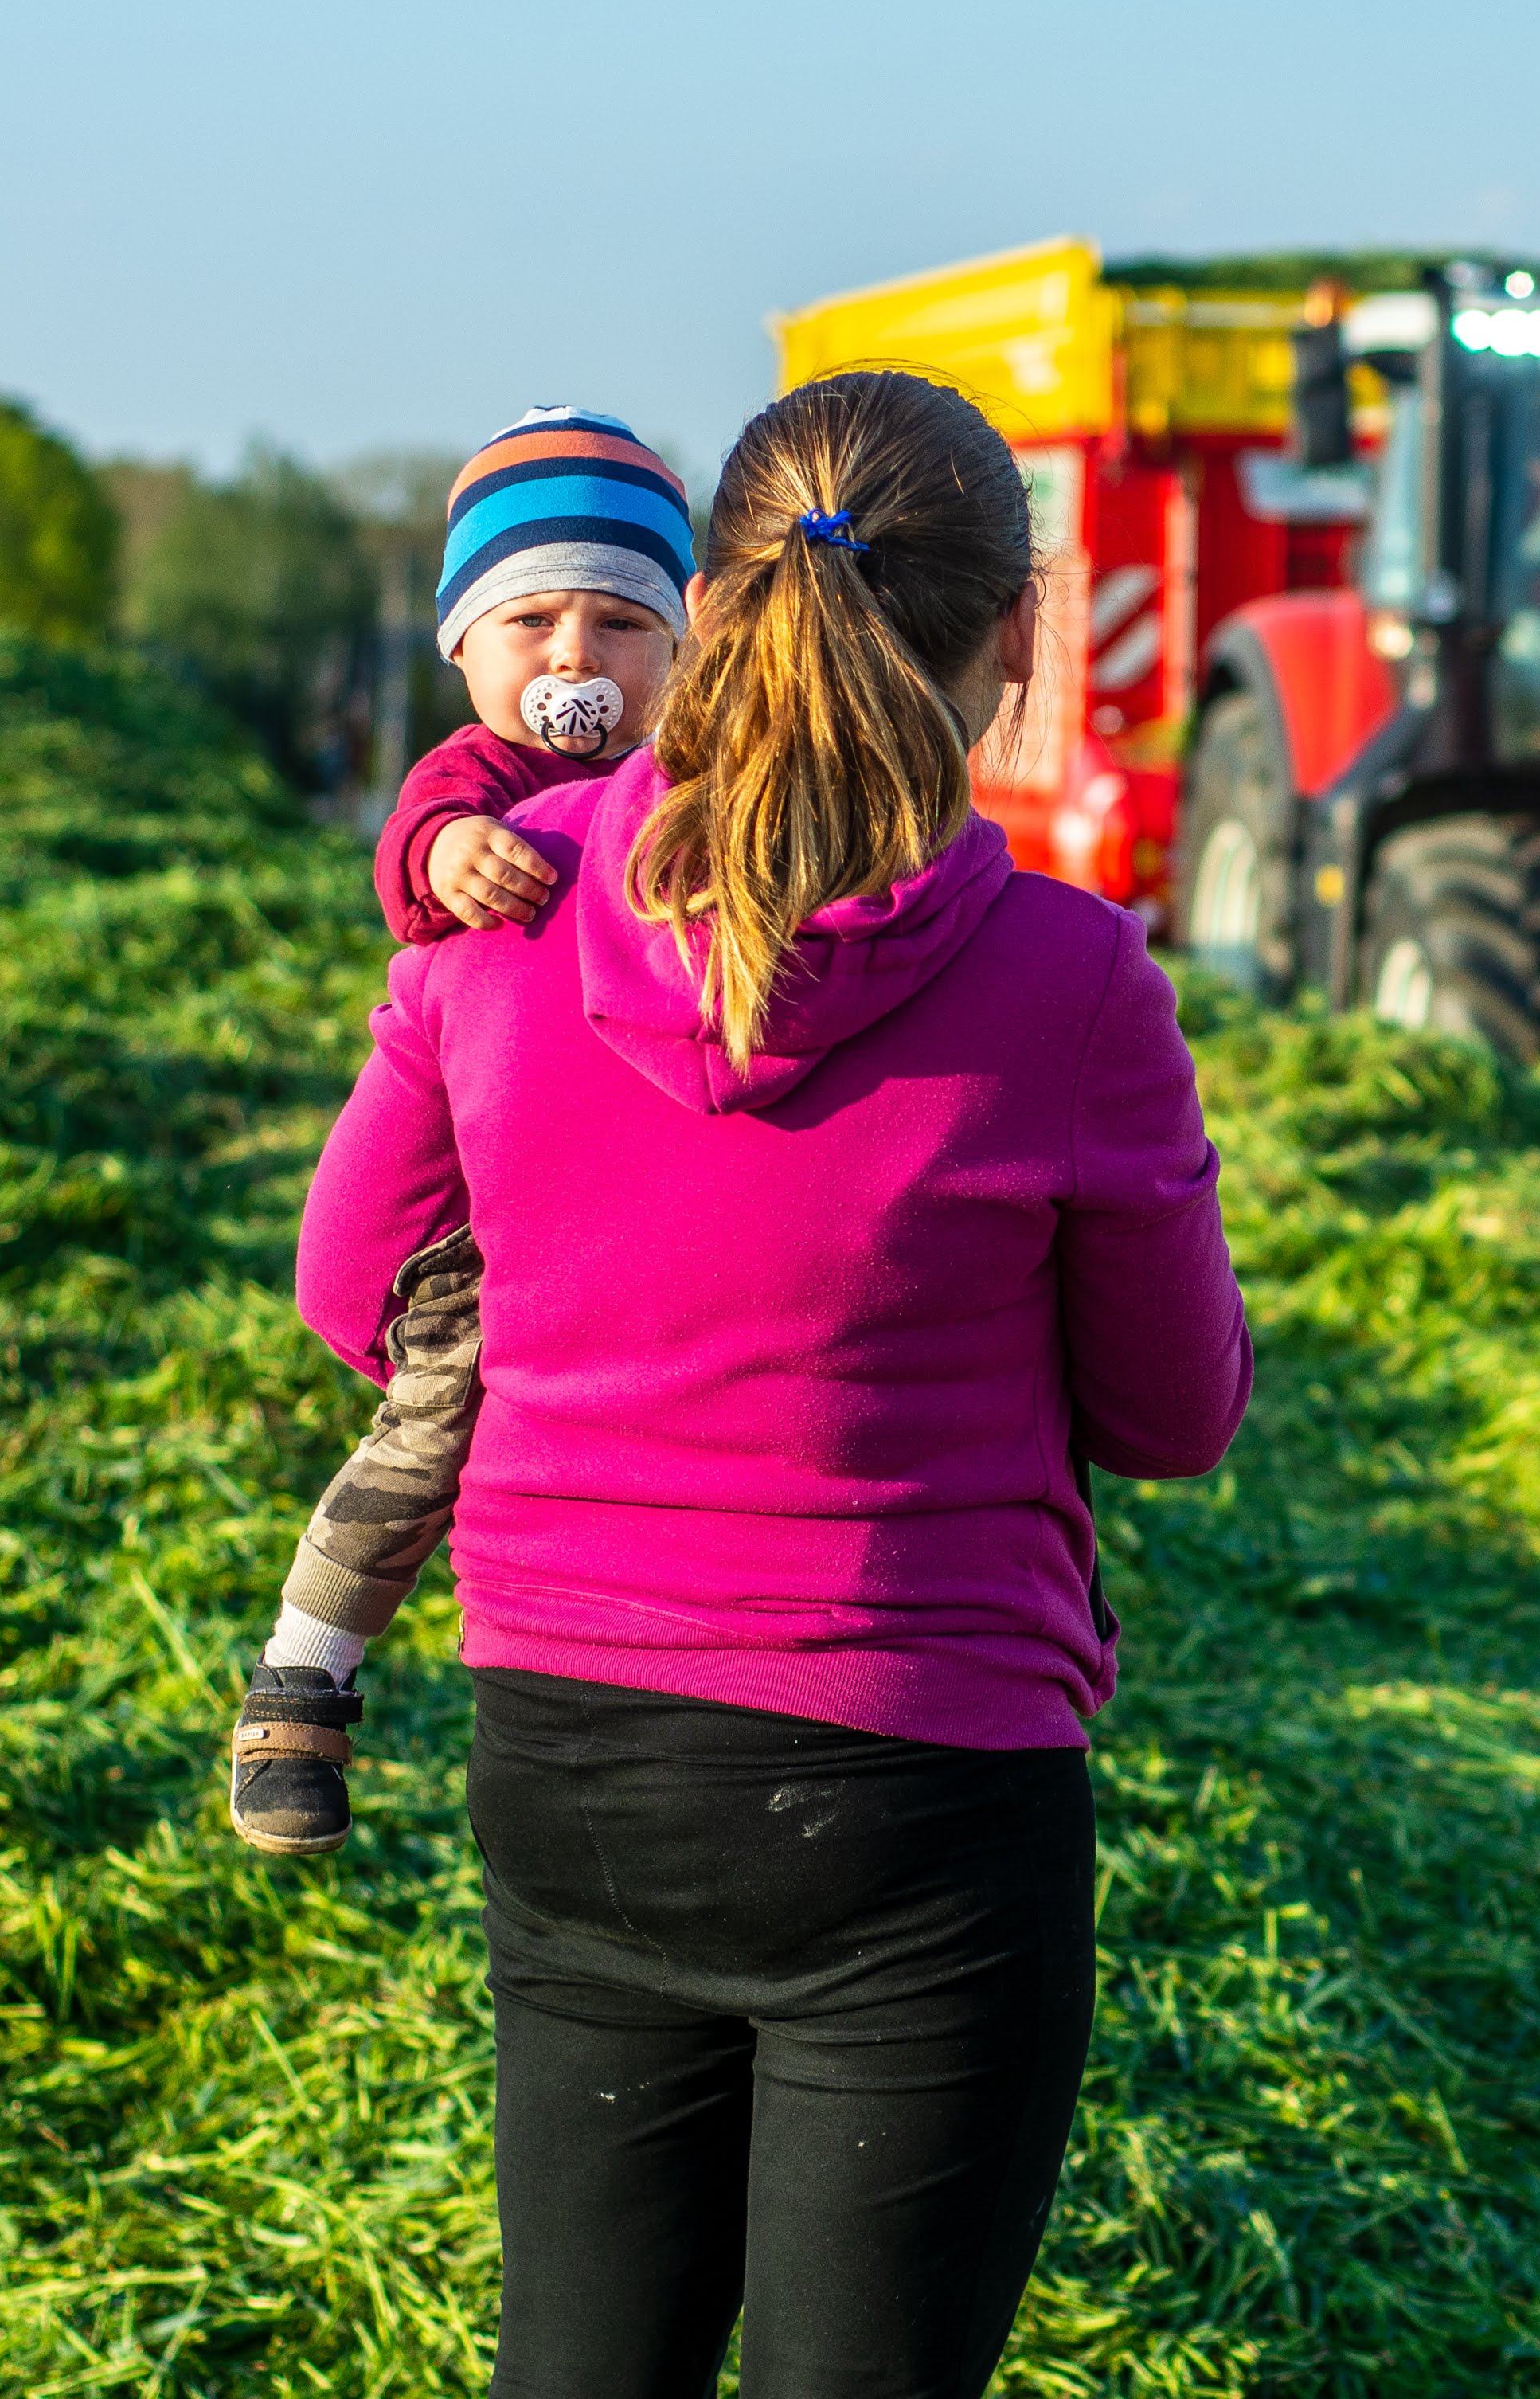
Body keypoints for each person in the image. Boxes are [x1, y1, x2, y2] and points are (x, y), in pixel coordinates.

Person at [288, 368, 1252, 2396]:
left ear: (710, 615)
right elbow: (1175, 1417)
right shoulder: (1076, 981)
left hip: (568, 1763)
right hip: (920, 1798)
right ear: (1016, 637)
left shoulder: (497, 910)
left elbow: (352, 1284)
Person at [225, 405, 697, 1860]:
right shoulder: (476, 782)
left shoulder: (686, 780)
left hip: (568, 1193)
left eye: (622, 624)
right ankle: (301, 1678)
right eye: (531, 620)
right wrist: (449, 854)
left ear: (680, 648)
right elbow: (408, 851)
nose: (573, 659)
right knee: (438, 1415)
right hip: (451, 1231)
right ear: (462, 644)